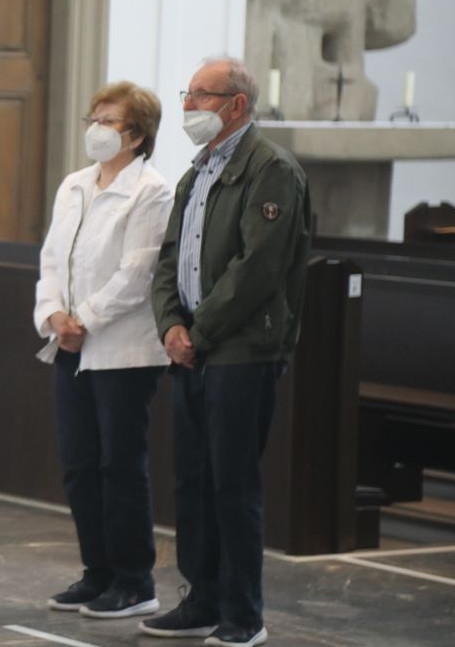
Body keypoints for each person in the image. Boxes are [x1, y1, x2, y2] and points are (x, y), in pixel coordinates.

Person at [145, 57, 310, 647]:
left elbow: (257, 270)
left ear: (235, 105)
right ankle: (202, 598)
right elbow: (169, 259)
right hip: (192, 347)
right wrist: (170, 324)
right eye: (186, 94)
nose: (187, 105)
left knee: (231, 483)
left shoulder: (271, 171)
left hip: (241, 349)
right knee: (191, 479)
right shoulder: (198, 171)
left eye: (199, 95)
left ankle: (243, 614)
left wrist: (200, 331)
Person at [35, 81, 173, 620]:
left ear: (136, 135)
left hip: (122, 350)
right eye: (92, 118)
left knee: (121, 465)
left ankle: (135, 581)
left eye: (108, 121)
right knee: (78, 465)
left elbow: (137, 274)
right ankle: (97, 574)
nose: (95, 128)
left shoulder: (151, 191)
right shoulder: (74, 185)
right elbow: (52, 258)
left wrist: (84, 321)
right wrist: (52, 316)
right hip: (68, 345)